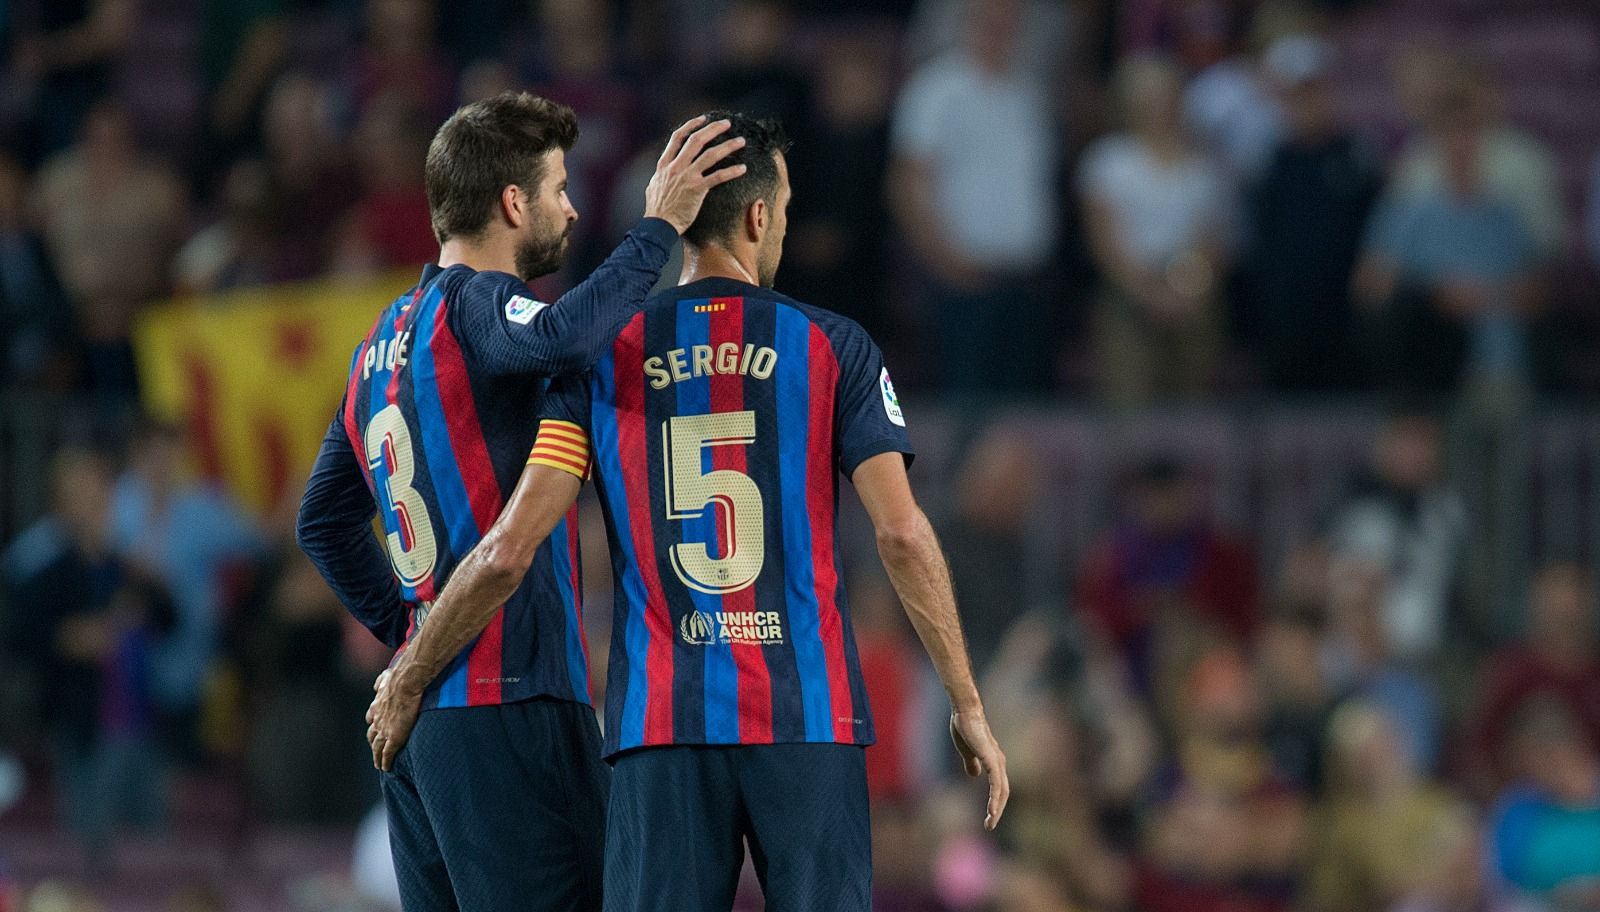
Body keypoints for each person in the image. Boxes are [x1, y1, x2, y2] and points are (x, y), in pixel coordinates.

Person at [365, 111, 1008, 912]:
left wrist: (412, 666)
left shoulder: (601, 356)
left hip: (658, 730)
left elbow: (514, 541)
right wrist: (968, 703)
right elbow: (904, 534)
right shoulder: (833, 346)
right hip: (805, 719)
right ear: (760, 215)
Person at [296, 92, 744, 912]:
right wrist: (658, 228)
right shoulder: (478, 305)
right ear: (513, 202)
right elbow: (564, 337)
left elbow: (320, 521)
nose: (570, 208)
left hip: (422, 726)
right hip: (510, 700)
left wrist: (409, 635)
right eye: (559, 188)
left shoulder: (378, 346)